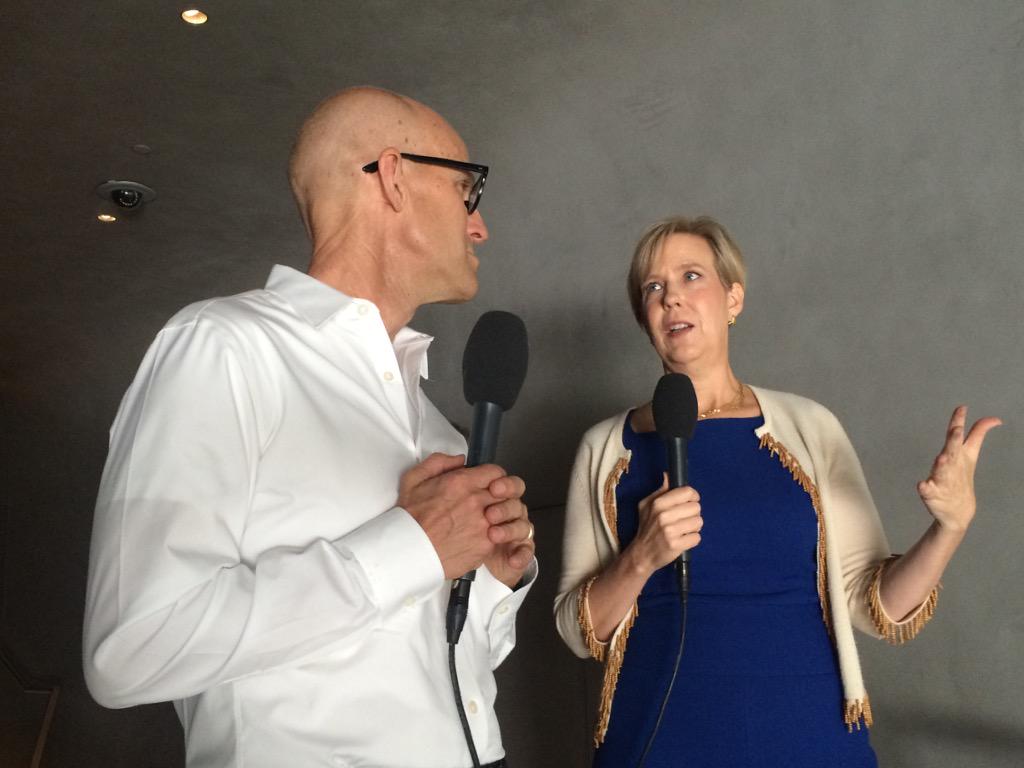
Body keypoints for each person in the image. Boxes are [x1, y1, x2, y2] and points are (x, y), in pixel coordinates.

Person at [83, 87, 537, 768]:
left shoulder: (438, 430)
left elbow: (450, 664)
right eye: (466, 191)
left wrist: (494, 582)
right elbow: (130, 648)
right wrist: (410, 544)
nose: (480, 226)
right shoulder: (223, 349)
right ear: (393, 177)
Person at [553, 215, 1000, 767]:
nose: (672, 298)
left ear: (733, 298)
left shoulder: (810, 429)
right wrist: (641, 559)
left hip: (807, 734)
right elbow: (578, 631)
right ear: (644, 318)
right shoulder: (605, 448)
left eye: (691, 276)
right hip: (658, 738)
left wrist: (948, 527)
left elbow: (875, 604)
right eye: (653, 287)